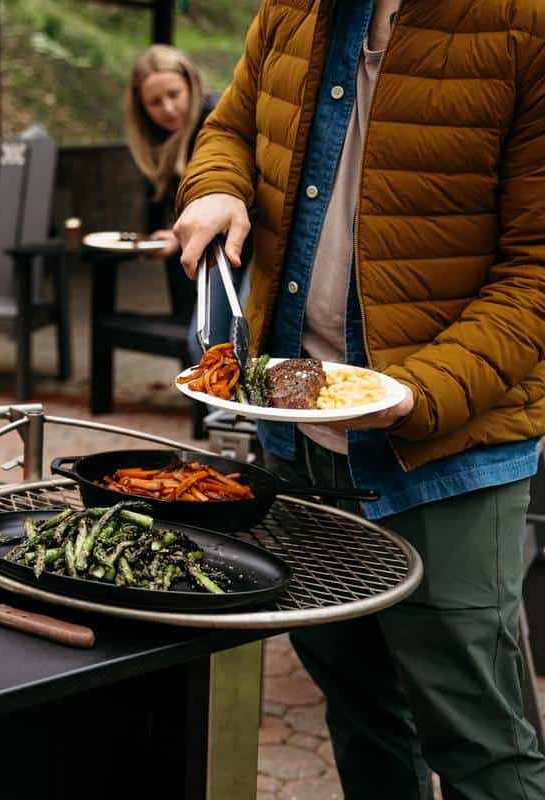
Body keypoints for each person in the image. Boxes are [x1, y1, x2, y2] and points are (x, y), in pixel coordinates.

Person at [173, 1, 545, 797]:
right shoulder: (291, 6)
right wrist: (217, 187)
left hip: (452, 459)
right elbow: (230, 127)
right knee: (363, 714)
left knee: (481, 747)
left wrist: (421, 390)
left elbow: (537, 271)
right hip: (299, 442)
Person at [124, 45, 246, 360]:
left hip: (233, 256)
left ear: (191, 85)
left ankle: (215, 410)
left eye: (174, 94)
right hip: (188, 267)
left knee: (206, 347)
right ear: (141, 109)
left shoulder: (218, 125)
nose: (167, 108)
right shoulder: (155, 141)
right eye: (155, 102)